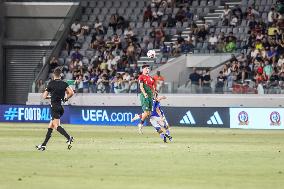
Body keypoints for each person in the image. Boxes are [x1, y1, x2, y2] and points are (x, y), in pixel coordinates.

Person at [36, 67, 74, 151]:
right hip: (61, 107)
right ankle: (43, 145)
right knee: (51, 126)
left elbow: (44, 96)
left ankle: (69, 137)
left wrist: (51, 96)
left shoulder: (51, 83)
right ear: (60, 75)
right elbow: (71, 93)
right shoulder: (64, 83)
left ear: (53, 74)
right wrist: (65, 99)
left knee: (56, 126)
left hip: (54, 107)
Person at [137, 64, 156, 134]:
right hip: (145, 96)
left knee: (149, 113)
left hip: (150, 96)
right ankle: (140, 124)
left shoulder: (151, 78)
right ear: (142, 70)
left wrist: (154, 93)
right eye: (145, 68)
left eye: (148, 68)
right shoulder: (141, 77)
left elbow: (152, 87)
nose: (147, 69)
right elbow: (141, 87)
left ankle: (139, 116)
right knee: (147, 112)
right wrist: (144, 93)